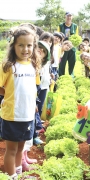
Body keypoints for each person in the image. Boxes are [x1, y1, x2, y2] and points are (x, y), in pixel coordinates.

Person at [0, 26, 41, 179]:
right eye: (21, 45)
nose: (25, 49)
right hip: (12, 115)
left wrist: (34, 105)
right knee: (11, 150)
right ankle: (11, 177)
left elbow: (32, 88)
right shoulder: (9, 66)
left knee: (21, 149)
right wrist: (9, 95)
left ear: (34, 46)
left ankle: (18, 174)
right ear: (13, 46)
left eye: (29, 45)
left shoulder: (33, 65)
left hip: (28, 115)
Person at [57, 12, 78, 76]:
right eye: (67, 16)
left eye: (70, 16)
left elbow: (76, 37)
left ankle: (71, 76)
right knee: (62, 63)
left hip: (72, 47)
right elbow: (58, 36)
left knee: (72, 62)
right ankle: (61, 75)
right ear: (65, 17)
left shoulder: (75, 26)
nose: (69, 17)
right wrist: (62, 44)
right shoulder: (60, 26)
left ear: (72, 17)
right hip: (63, 47)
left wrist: (72, 44)